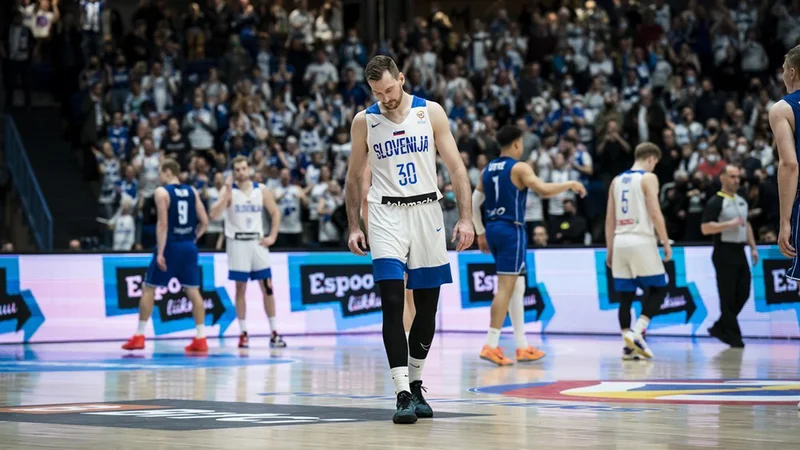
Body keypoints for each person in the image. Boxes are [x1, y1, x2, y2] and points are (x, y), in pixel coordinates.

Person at [345, 55, 474, 424]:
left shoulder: (430, 113)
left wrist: (466, 218)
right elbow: (354, 178)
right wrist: (355, 226)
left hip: (427, 211)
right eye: (377, 92)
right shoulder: (364, 121)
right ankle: (401, 393)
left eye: (389, 88)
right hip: (385, 214)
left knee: (428, 308)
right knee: (390, 301)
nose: (385, 97)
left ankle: (417, 384)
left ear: (401, 78)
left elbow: (457, 168)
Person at [472, 125, 586, 366]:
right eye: (521, 143)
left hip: (492, 228)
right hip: (511, 229)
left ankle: (522, 346)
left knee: (518, 285)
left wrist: (480, 232)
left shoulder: (488, 168)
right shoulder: (519, 167)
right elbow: (543, 190)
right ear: (515, 144)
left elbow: (474, 202)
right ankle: (491, 344)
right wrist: (570, 184)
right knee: (505, 287)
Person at [122, 159, 210, 352]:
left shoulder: (162, 192)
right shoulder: (192, 191)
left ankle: (139, 335)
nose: (159, 178)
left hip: (170, 246)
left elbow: (162, 224)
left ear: (169, 172)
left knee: (148, 288)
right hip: (188, 246)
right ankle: (201, 338)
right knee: (193, 291)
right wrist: (192, 238)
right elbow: (205, 221)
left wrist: (161, 252)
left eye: (161, 173)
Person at [605, 143, 672, 360]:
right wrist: (665, 242)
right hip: (641, 239)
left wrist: (609, 249)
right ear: (652, 159)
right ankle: (636, 332)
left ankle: (628, 346)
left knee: (626, 296)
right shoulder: (648, 178)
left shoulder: (615, 181)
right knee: (660, 288)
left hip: (619, 240)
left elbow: (609, 220)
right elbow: (654, 211)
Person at [210, 156, 285, 348]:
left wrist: (273, 236)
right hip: (237, 242)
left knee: (267, 287)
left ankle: (274, 331)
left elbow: (275, 212)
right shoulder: (228, 191)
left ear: (249, 169)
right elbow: (214, 214)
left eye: (244, 168)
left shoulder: (261, 190)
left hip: (256, 242)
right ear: (233, 172)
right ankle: (243, 333)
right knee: (240, 288)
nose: (241, 172)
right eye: (237, 169)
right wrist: (226, 191)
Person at [700, 165, 756, 348]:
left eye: (738, 176)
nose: (736, 180)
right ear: (722, 178)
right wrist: (728, 224)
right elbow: (705, 228)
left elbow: (746, 224)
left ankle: (720, 326)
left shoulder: (742, 199)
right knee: (727, 295)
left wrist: (753, 247)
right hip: (723, 251)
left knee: (744, 292)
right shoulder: (715, 202)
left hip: (740, 251)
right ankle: (733, 337)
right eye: (732, 176)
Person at [361, 165, 416, 335]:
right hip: (415, 218)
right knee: (413, 288)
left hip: (388, 225)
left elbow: (365, 198)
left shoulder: (370, 161)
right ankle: (415, 346)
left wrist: (370, 232)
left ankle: (406, 341)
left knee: (399, 289)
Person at [772, 45, 800, 280]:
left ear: (792, 73)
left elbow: (790, 165)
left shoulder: (783, 108)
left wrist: (785, 221)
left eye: (783, 70)